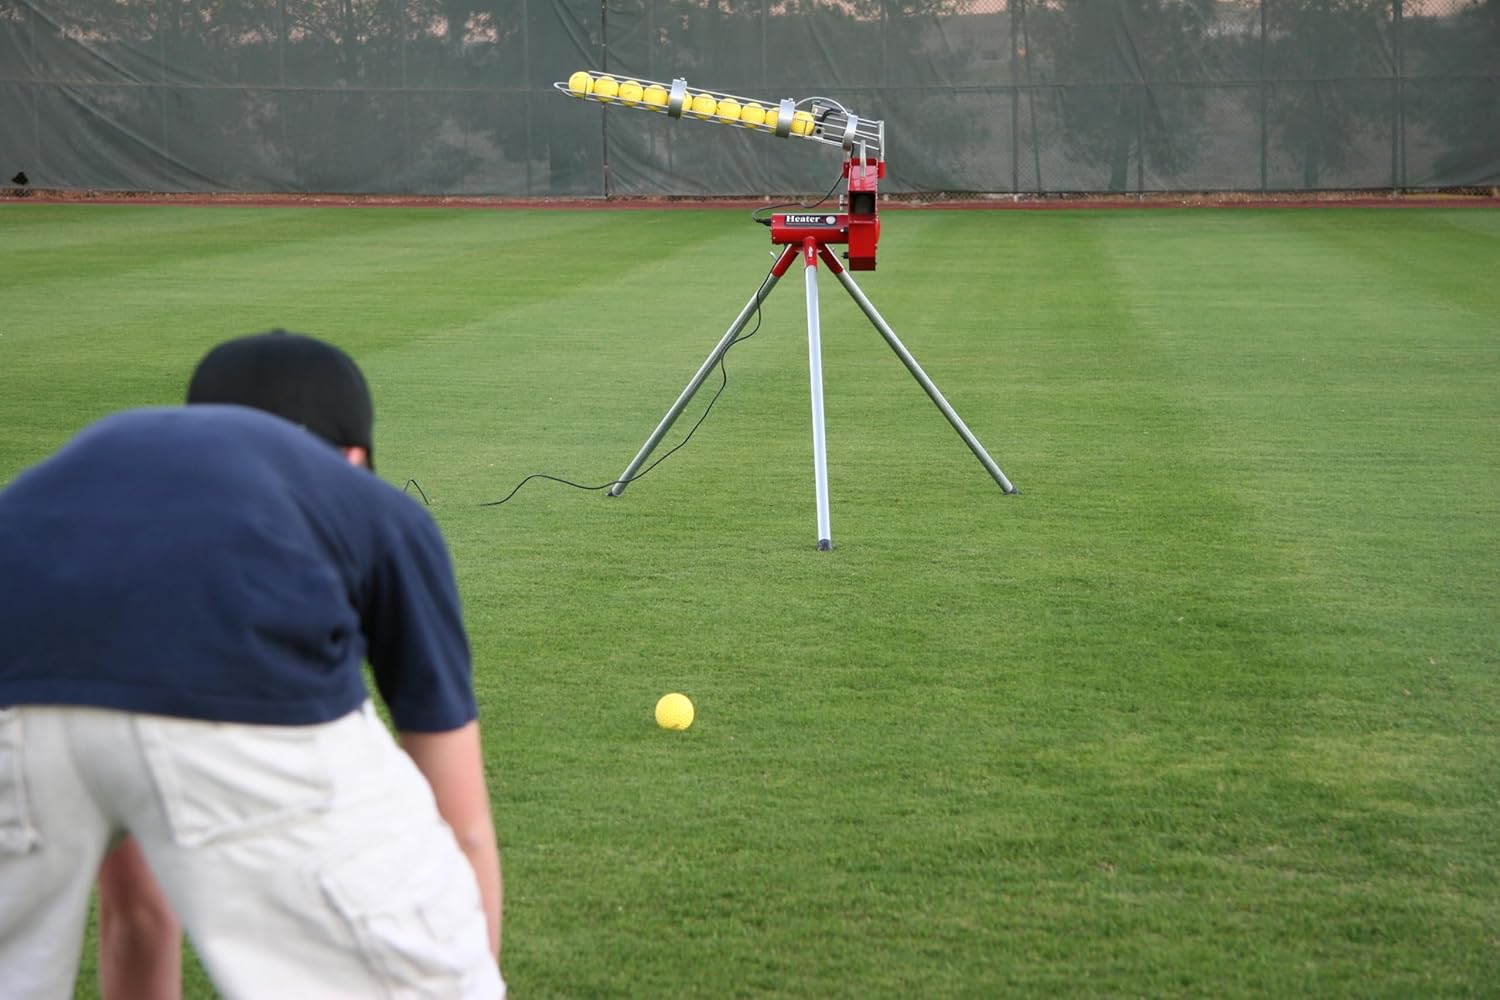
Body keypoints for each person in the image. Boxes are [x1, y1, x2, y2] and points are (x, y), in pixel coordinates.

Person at [0, 331, 504, 998]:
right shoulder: (370, 505)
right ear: (353, 456)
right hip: (242, 719)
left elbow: (138, 913)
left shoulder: (98, 472)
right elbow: (461, 825)